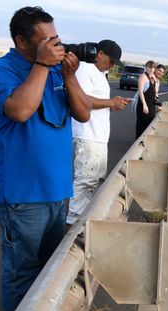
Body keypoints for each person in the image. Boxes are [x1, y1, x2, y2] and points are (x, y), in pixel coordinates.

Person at [0, 6, 91, 311]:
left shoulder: (57, 70)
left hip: (57, 190)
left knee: (48, 268)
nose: (55, 45)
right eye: (46, 40)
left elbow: (83, 113)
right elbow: (20, 110)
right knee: (20, 271)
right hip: (22, 195)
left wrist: (68, 76)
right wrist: (43, 65)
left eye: (56, 38)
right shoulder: (1, 71)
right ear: (21, 41)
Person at [67, 40, 130, 225]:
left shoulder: (100, 74)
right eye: (111, 61)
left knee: (94, 181)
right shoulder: (86, 69)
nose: (112, 65)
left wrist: (112, 104)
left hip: (98, 136)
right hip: (88, 135)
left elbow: (95, 102)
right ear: (100, 54)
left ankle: (85, 222)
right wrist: (110, 103)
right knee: (86, 181)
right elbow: (81, 100)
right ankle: (73, 224)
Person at [135, 60, 157, 139]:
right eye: (149, 67)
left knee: (148, 126)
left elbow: (155, 93)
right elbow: (140, 91)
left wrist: (155, 81)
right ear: (146, 67)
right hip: (144, 106)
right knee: (141, 127)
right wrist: (144, 105)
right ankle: (137, 146)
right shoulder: (143, 76)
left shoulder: (153, 78)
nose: (151, 69)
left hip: (151, 106)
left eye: (153, 68)